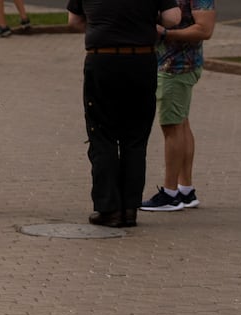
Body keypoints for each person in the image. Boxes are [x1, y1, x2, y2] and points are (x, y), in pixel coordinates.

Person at [68, 0, 181, 227]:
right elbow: (173, 18)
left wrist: (102, 26)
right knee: (135, 138)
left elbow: (74, 20)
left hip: (102, 58)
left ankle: (109, 209)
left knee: (102, 135)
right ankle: (130, 208)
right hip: (141, 59)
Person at [140, 0, 214, 211]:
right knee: (181, 123)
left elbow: (205, 29)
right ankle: (185, 190)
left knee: (171, 127)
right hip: (169, 64)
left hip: (175, 68)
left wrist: (165, 34)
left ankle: (170, 193)